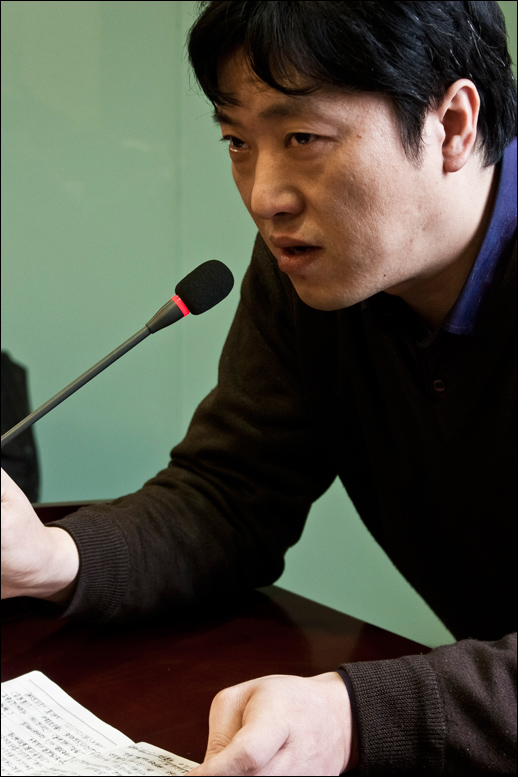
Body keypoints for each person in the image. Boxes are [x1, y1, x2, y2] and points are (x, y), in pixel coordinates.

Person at [1, 1, 516, 773]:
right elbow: (232, 497)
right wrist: (52, 555)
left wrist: (352, 713)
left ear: (452, 124)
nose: (264, 195)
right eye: (238, 142)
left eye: (303, 138)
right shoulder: (318, 273)